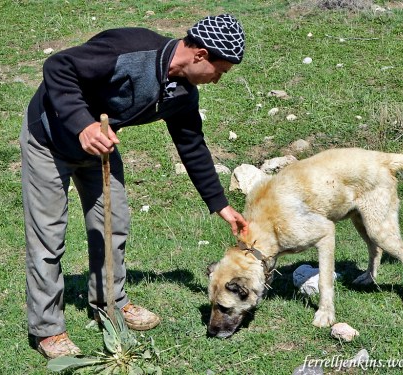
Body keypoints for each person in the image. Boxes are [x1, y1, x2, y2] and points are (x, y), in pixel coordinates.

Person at [20, 14, 248, 359]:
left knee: (113, 226)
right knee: (48, 238)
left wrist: (221, 204)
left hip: (100, 149)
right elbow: (59, 66)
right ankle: (48, 329)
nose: (217, 80)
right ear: (201, 55)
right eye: (220, 71)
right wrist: (83, 125)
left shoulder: (183, 92)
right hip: (49, 141)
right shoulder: (131, 47)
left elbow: (191, 144)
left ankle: (109, 304)